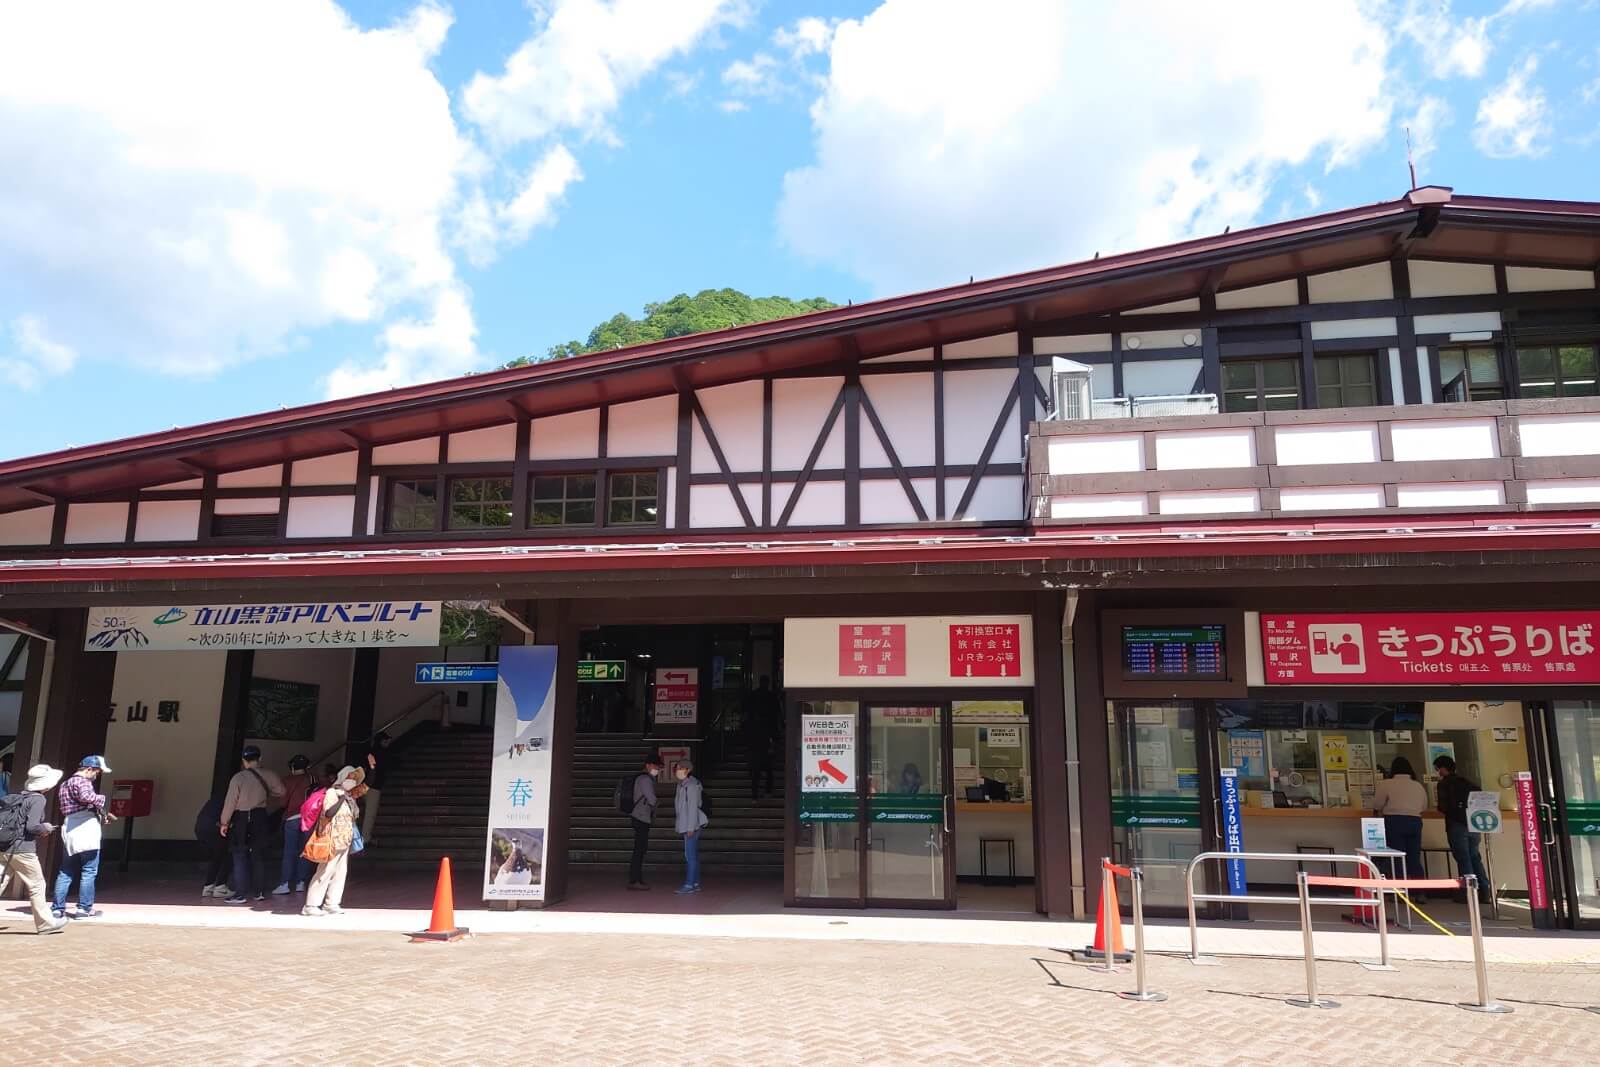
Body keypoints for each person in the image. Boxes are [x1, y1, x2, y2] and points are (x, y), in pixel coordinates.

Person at [0, 764, 67, 934]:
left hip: (5, 847)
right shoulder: (38, 799)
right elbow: (32, 827)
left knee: (1, 882)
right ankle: (45, 923)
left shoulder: (18, 797)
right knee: (37, 884)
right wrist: (46, 827)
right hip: (23, 850)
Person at [219, 745, 285, 905]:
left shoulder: (238, 778)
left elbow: (230, 802)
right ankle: (259, 892)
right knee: (258, 855)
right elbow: (282, 791)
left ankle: (240, 894)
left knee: (239, 855)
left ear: (243, 760)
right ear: (259, 759)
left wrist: (224, 822)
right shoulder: (269, 775)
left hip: (242, 818)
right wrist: (266, 793)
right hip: (260, 816)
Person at [53, 754, 116, 919]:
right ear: (89, 769)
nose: (97, 775)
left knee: (65, 870)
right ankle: (84, 909)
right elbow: (86, 797)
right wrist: (101, 799)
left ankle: (57, 908)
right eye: (97, 772)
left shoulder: (65, 784)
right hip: (86, 828)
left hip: (70, 828)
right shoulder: (82, 782)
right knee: (89, 870)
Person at [303, 765, 365, 916]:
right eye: (350, 777)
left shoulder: (350, 796)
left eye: (354, 779)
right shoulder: (332, 793)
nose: (352, 781)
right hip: (331, 839)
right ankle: (311, 904)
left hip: (344, 840)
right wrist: (341, 797)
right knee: (324, 871)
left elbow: (366, 787)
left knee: (340, 872)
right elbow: (329, 812)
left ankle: (332, 902)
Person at [1434, 754, 1491, 902]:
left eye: (1437, 769)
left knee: (1463, 858)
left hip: (1456, 825)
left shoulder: (1444, 784)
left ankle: (1468, 892)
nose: (1437, 772)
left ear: (1443, 768)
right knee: (1474, 857)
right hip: (1473, 824)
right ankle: (1484, 891)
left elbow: (1443, 807)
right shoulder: (1468, 782)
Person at [1372, 757, 1427, 883]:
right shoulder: (1417, 785)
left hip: (1394, 822)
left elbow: (1377, 805)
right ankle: (1420, 891)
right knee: (1414, 857)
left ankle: (1401, 890)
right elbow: (1423, 806)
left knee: (1397, 857)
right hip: (1415, 822)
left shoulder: (1387, 784)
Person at [272, 754, 314, 896]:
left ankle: (284, 884)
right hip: (308, 819)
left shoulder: (287, 780)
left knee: (289, 852)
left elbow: (282, 803)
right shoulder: (312, 779)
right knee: (304, 852)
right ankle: (300, 882)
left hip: (292, 818)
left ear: (292, 767)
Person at [627, 754, 663, 891]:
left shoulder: (643, 778)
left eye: (658, 766)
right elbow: (651, 799)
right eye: (655, 766)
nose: (657, 769)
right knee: (640, 849)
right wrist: (657, 803)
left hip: (638, 816)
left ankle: (636, 878)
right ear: (648, 765)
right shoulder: (645, 779)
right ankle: (635, 879)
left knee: (639, 849)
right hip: (641, 817)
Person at [741, 677, 781, 799]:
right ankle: (766, 792)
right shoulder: (771, 697)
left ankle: (755, 796)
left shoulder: (754, 696)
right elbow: (777, 713)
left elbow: (746, 710)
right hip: (765, 742)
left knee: (756, 773)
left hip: (755, 747)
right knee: (768, 770)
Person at [673, 759, 708, 895]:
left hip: (691, 825)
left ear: (688, 770)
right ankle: (695, 882)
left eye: (681, 768)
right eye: (677, 768)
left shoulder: (691, 786)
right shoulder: (683, 784)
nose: (678, 770)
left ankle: (689, 884)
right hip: (687, 824)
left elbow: (693, 808)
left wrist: (690, 828)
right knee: (692, 855)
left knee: (690, 856)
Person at [195, 792, 231, 897]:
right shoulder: (231, 798)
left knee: (216, 858)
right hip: (214, 829)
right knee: (227, 855)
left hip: (200, 828)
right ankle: (220, 887)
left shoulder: (217, 798)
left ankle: (208, 887)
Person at [361, 731, 391, 844]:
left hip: (364, 784)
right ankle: (365, 838)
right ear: (382, 741)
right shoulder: (382, 753)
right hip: (374, 786)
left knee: (364, 812)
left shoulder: (370, 753)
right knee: (370, 813)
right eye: (386, 740)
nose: (388, 743)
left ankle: (363, 837)